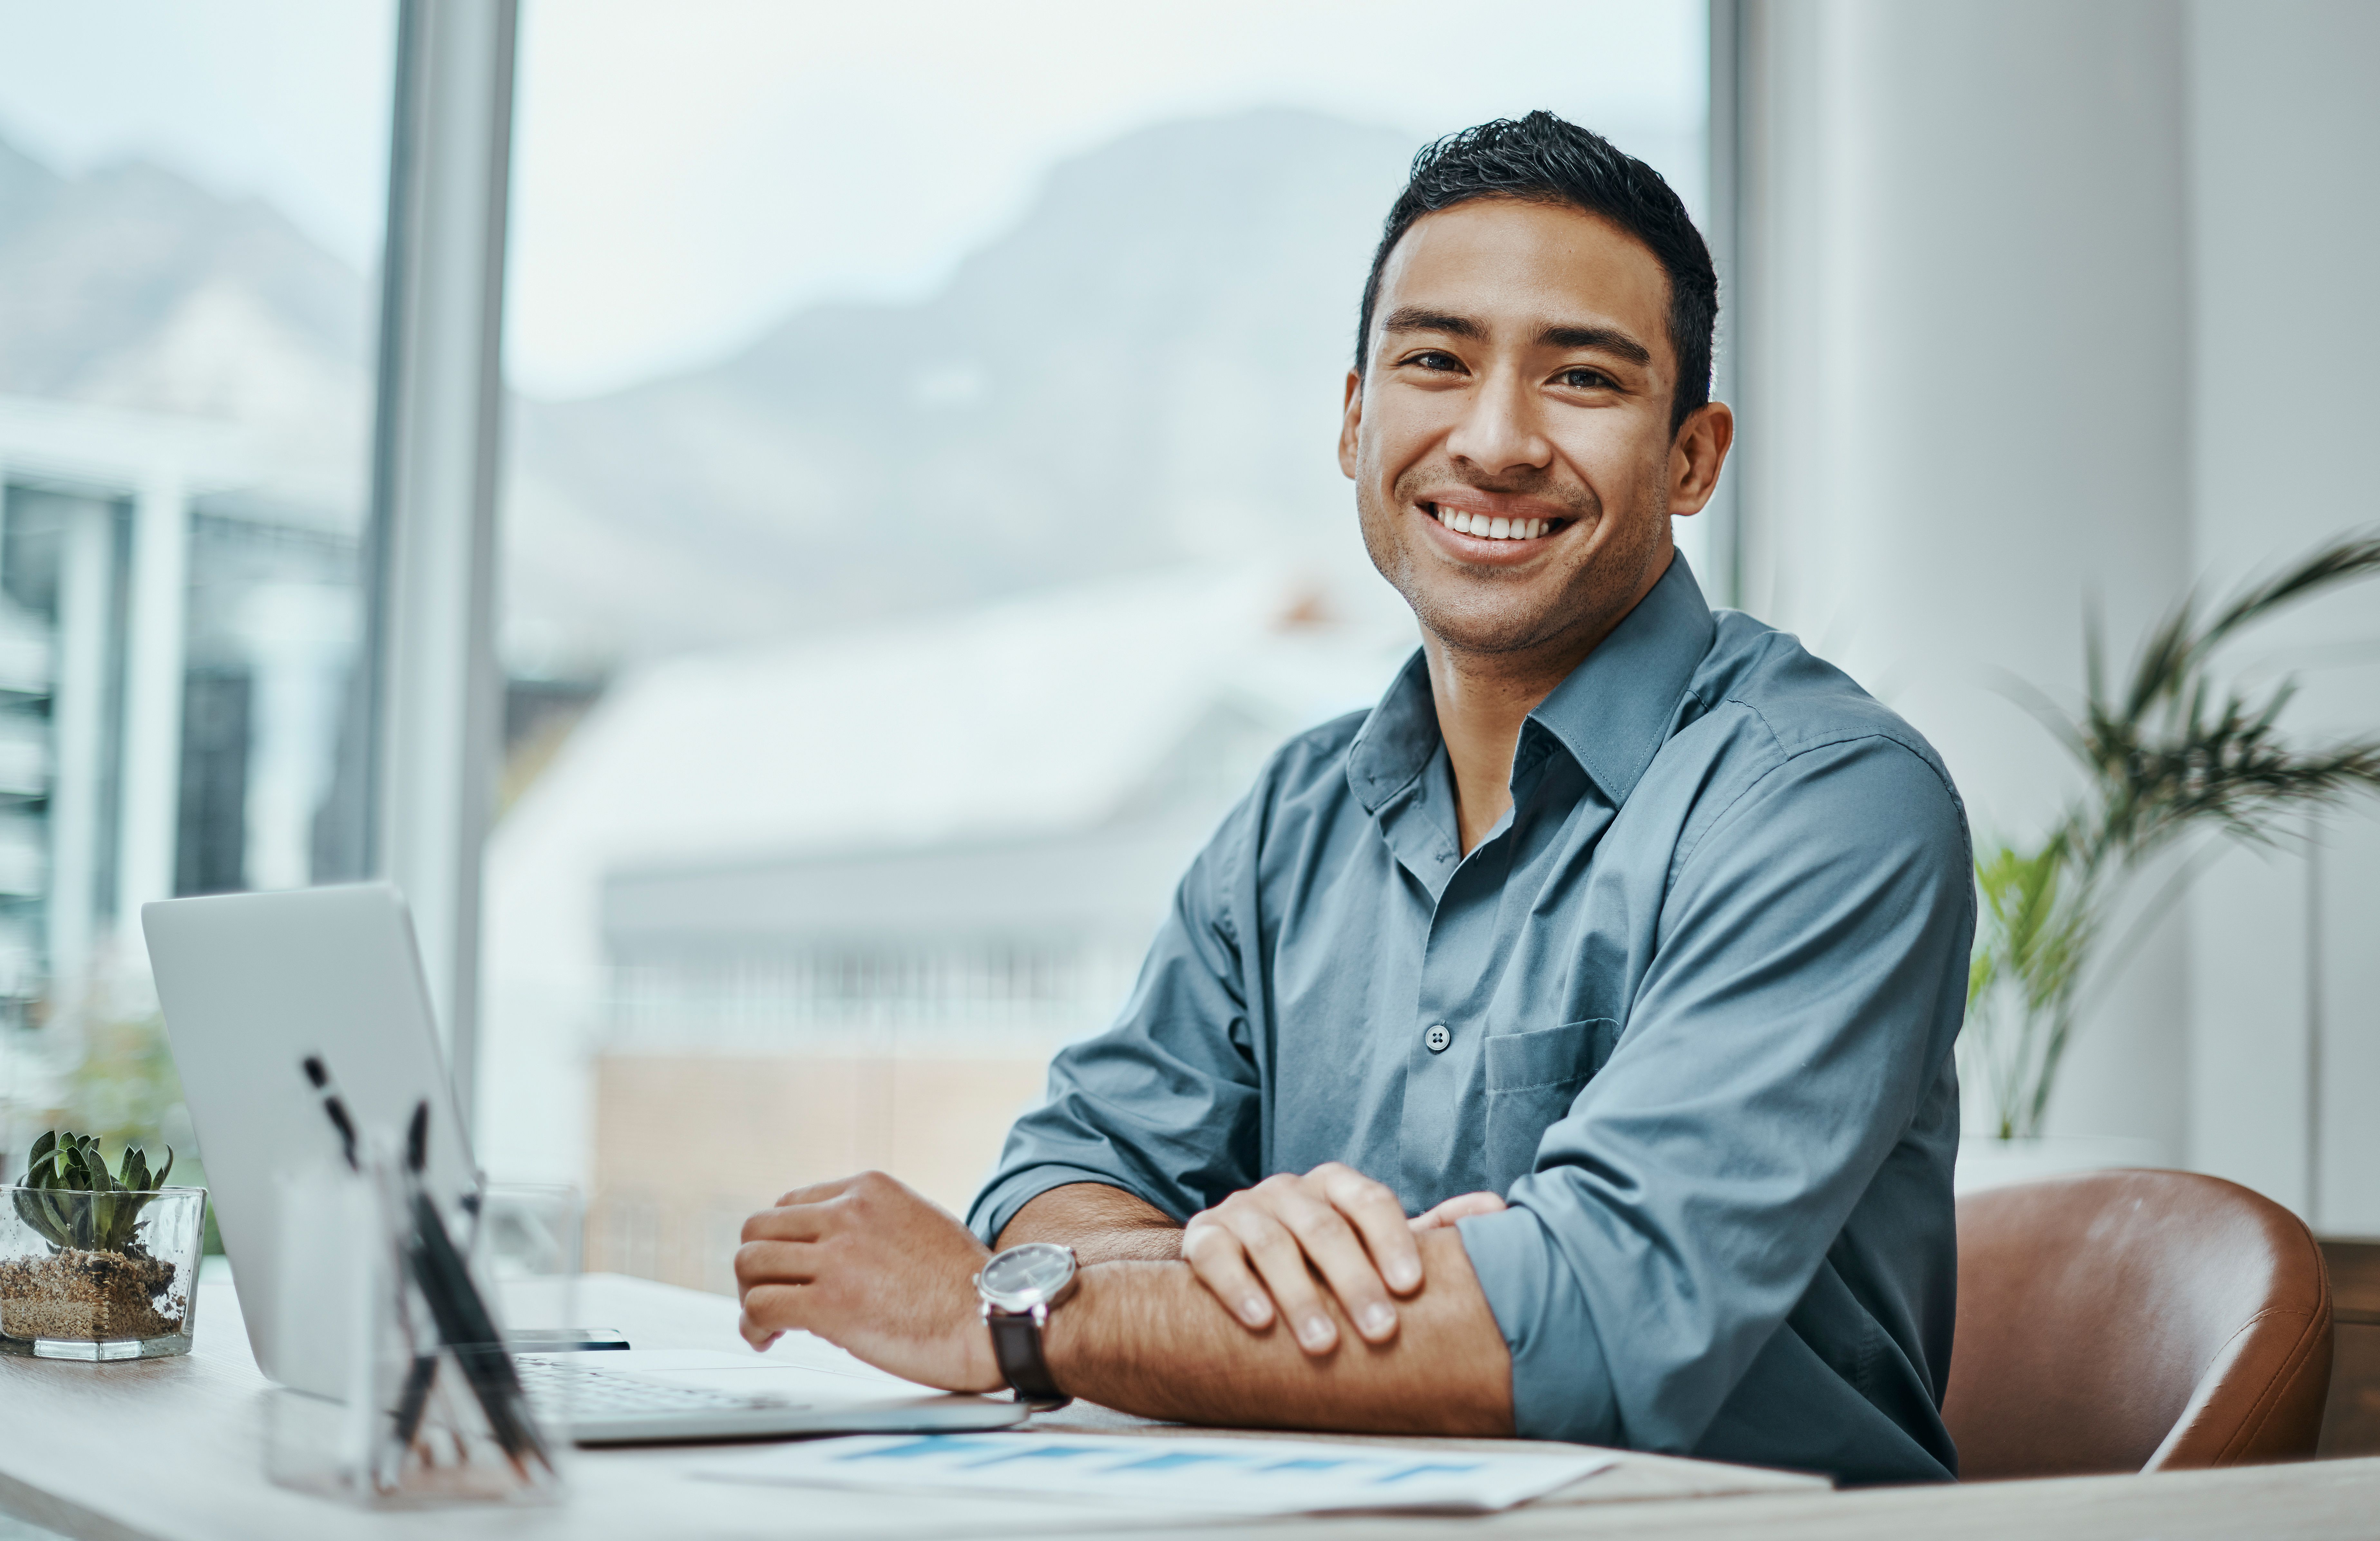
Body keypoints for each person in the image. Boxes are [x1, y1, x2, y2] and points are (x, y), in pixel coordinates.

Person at [734, 111, 1972, 1485]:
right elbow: (1065, 1176)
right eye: (1436, 361)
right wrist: (1209, 1254)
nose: (1495, 442)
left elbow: (1591, 1325)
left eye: (1583, 380)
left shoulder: (1826, 805)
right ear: (1353, 418)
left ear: (1691, 457)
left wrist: (1013, 1314)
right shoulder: (1293, 814)